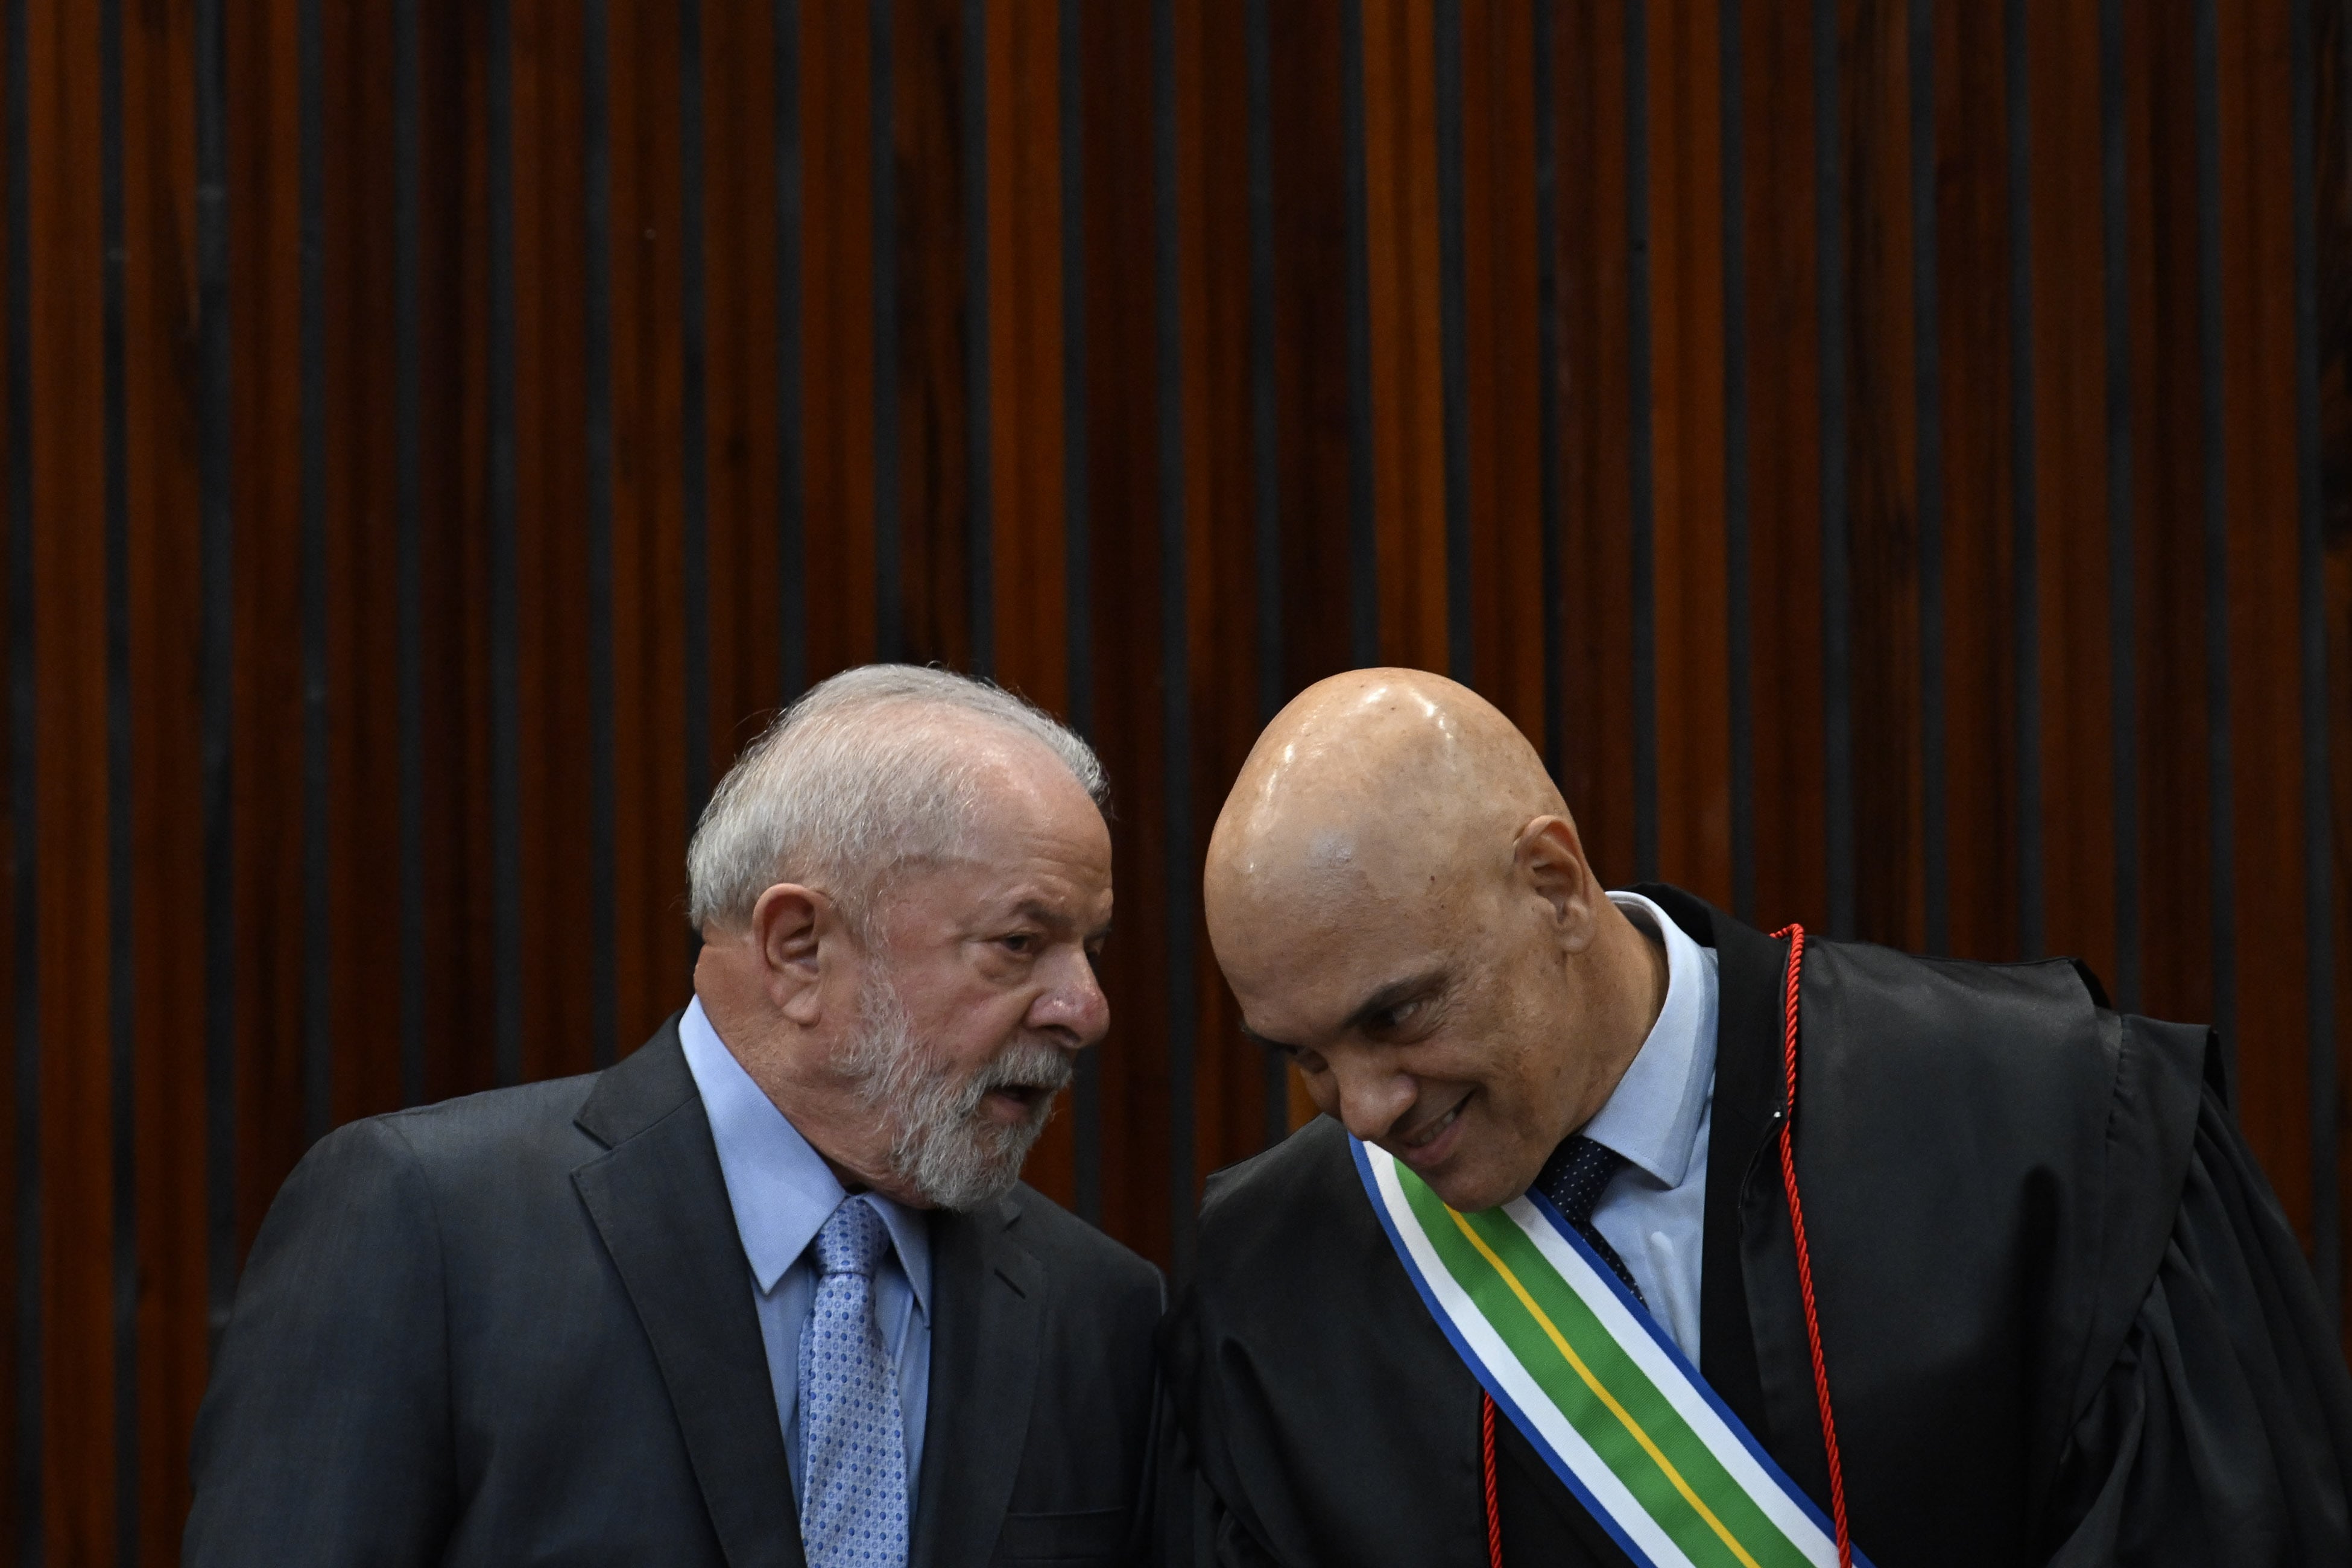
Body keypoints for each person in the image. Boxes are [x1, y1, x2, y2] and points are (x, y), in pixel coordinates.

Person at [1160, 666, 2352, 1567]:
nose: (1363, 1107)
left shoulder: (2054, 1129)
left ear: (1554, 886)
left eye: (1399, 1016)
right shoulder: (1278, 1280)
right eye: (1304, 1058)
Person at [186, 665, 1160, 1567]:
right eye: (1020, 942)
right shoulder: (429, 1230)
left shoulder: (1099, 1311)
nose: (1086, 1009)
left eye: (1091, 948)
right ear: (798, 949)